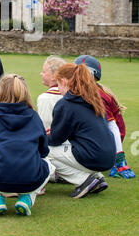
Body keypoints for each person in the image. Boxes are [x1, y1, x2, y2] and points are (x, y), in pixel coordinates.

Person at [0, 74, 55, 216]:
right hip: (30, 180)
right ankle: (27, 198)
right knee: (50, 164)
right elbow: (43, 151)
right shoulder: (34, 116)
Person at [48, 63, 116, 199]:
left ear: (64, 81)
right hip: (109, 157)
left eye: (57, 83)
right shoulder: (93, 99)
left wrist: (42, 136)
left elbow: (55, 140)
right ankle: (98, 178)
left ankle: (84, 181)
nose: (57, 88)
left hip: (93, 157)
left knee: (45, 150)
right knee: (67, 148)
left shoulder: (65, 104)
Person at [74, 55, 135, 179]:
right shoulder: (88, 91)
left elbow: (112, 127)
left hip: (108, 141)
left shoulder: (97, 96)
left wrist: (119, 158)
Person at [37, 55, 66, 131]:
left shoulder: (45, 98)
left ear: (54, 76)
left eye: (44, 72)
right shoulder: (71, 95)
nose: (41, 74)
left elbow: (44, 125)